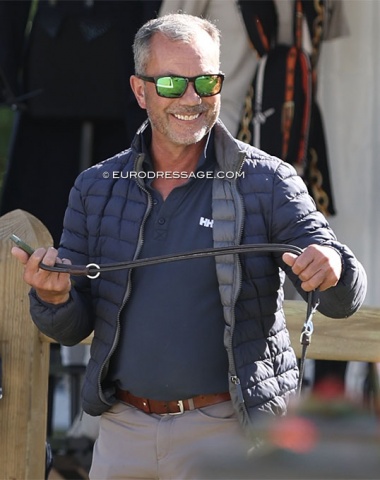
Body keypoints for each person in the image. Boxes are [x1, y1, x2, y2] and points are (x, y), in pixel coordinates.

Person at [12, 13, 367, 480]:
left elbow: (344, 292)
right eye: (173, 84)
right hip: (121, 432)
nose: (192, 98)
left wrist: (334, 267)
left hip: (230, 435)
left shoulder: (268, 179)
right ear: (140, 91)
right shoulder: (95, 187)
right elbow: (72, 325)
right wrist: (53, 296)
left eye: (206, 81)